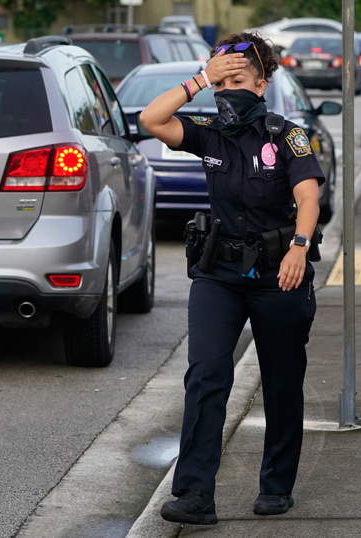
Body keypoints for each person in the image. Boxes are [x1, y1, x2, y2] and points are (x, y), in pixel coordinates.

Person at [139, 31, 323, 525]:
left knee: (282, 382)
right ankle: (196, 494)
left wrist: (300, 248)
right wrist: (202, 77)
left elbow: (308, 197)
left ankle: (276, 485)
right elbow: (151, 119)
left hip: (278, 272)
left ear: (262, 83)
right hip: (219, 274)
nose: (226, 90)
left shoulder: (286, 135)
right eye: (220, 82)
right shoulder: (208, 133)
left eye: (236, 79)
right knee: (206, 375)